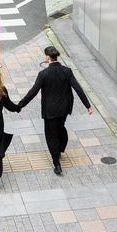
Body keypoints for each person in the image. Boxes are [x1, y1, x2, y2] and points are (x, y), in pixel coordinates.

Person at [18, 46, 93, 174]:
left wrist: (21, 104)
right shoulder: (67, 71)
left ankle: (56, 163)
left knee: (51, 134)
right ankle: (59, 149)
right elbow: (78, 88)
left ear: (47, 57)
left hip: (50, 110)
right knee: (60, 127)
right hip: (64, 108)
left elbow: (33, 91)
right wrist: (87, 105)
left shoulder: (43, 74)